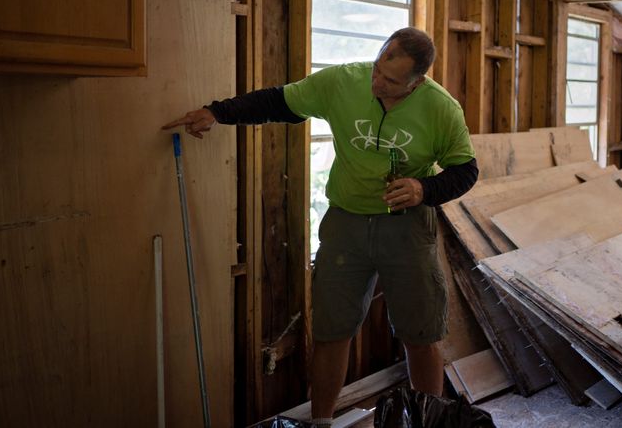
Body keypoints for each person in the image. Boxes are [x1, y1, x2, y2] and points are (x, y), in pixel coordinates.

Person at [163, 27, 478, 421]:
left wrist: (423, 188)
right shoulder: (343, 81)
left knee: (421, 335)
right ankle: (322, 421)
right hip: (345, 225)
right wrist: (217, 112)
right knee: (332, 331)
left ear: (418, 82)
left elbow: (465, 171)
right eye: (378, 69)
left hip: (408, 228)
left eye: (392, 81)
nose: (377, 82)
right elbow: (278, 101)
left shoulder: (441, 109)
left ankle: (426, 420)